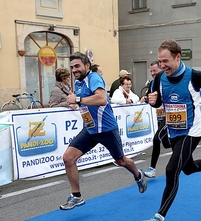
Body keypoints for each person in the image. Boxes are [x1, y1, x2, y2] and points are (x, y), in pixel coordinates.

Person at [140, 39, 201, 221]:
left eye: (165, 61)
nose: (162, 65)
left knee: (172, 169)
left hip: (191, 130)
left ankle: (159, 219)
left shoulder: (194, 76)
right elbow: (157, 103)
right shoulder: (159, 78)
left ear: (178, 57)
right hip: (174, 129)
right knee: (188, 168)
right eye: (159, 61)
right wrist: (153, 102)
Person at [59, 52, 146, 210]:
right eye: (71, 67)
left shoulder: (94, 78)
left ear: (87, 66)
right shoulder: (78, 83)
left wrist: (78, 100)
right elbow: (86, 102)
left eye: (77, 66)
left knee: (121, 161)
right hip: (91, 130)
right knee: (68, 158)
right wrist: (76, 104)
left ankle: (138, 175)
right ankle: (77, 196)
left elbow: (101, 99)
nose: (74, 70)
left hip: (106, 129)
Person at [143, 60, 168, 179]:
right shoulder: (152, 83)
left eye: (155, 71)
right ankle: (185, 153)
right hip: (158, 117)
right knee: (167, 144)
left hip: (169, 116)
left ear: (162, 70)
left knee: (156, 139)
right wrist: (146, 99)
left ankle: (152, 169)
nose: (153, 73)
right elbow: (149, 96)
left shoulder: (167, 81)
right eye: (151, 71)